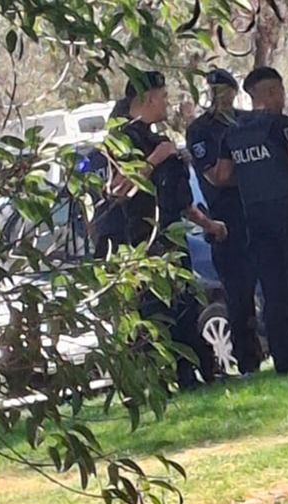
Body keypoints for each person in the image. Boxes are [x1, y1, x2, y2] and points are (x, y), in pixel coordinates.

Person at [101, 70, 228, 389]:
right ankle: (159, 378)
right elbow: (118, 190)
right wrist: (156, 159)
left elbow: (179, 199)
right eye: (163, 97)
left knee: (185, 306)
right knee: (154, 313)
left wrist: (208, 224)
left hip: (171, 237)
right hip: (141, 242)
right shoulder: (120, 140)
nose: (167, 103)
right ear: (147, 99)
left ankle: (193, 371)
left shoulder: (158, 139)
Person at [214, 67, 288, 375]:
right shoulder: (282, 125)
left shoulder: (233, 132)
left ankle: (284, 361)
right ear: (270, 93)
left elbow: (223, 176)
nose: (283, 97)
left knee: (273, 291)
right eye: (280, 91)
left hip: (255, 219)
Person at [186, 69, 262, 377]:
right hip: (226, 219)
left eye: (226, 89)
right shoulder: (201, 130)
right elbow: (216, 176)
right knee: (239, 295)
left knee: (277, 286)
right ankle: (248, 362)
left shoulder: (249, 121)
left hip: (258, 211)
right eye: (214, 90)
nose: (221, 96)